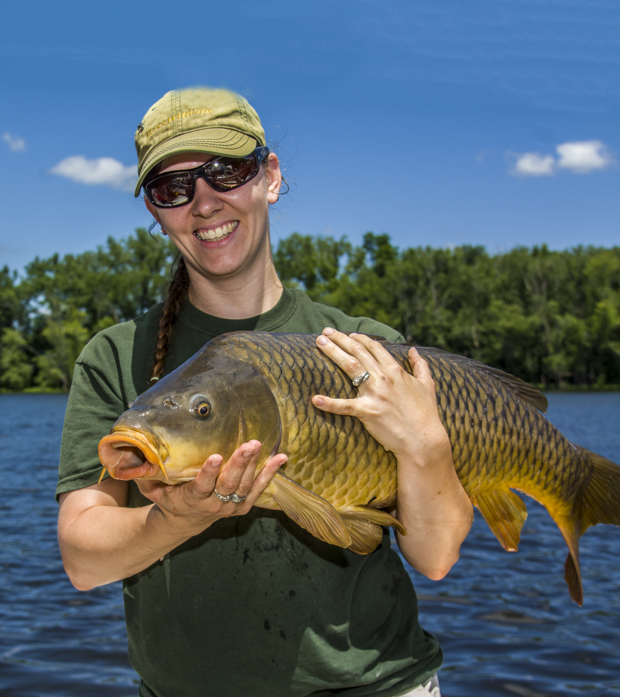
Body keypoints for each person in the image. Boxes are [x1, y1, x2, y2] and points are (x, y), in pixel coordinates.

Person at [57, 88, 473, 697]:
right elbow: (82, 558)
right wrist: (175, 518)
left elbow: (436, 558)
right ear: (154, 209)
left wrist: (426, 446)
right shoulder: (116, 356)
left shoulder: (366, 350)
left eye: (225, 171)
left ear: (269, 176)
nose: (204, 202)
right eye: (173, 188)